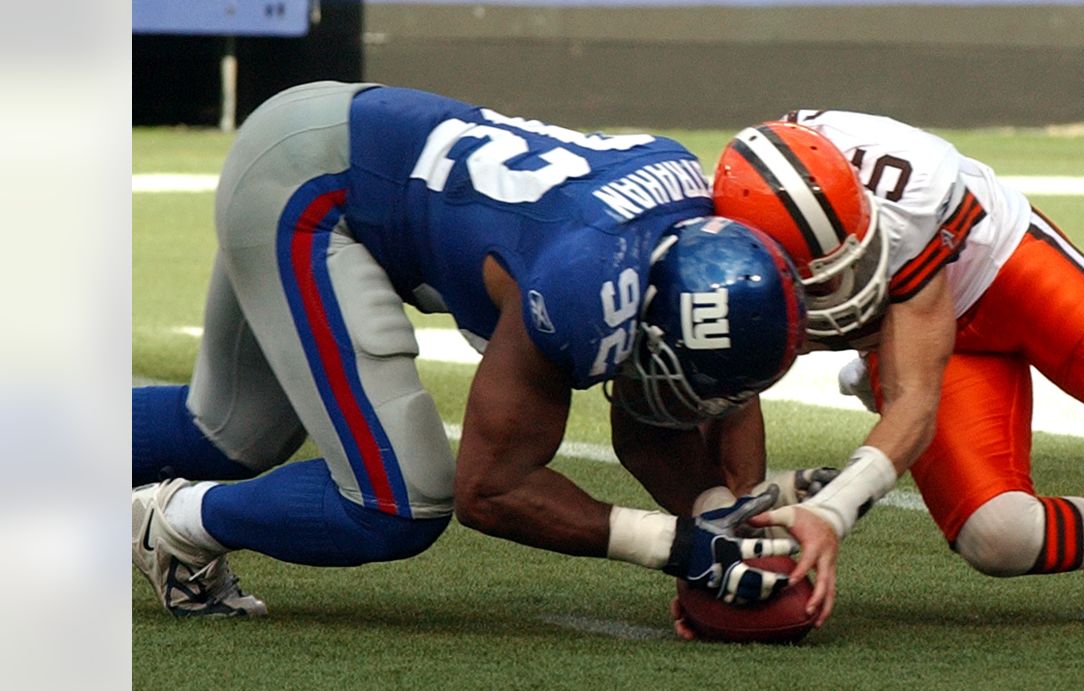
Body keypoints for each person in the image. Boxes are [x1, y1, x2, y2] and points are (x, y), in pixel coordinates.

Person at [131, 81, 811, 617]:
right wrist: (676, 544)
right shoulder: (585, 283)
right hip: (310, 192)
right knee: (397, 503)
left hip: (322, 134)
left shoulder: (690, 241)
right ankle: (173, 523)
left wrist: (723, 511)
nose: (690, 409)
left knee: (226, 433)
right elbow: (490, 490)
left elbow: (667, 419)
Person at [681, 113, 1084, 635]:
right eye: (823, 278)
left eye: (853, 257)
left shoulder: (913, 190)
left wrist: (831, 513)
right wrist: (737, 521)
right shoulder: (716, 257)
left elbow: (915, 400)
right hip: (900, 330)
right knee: (1000, 537)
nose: (845, 280)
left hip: (998, 273)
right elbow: (731, 390)